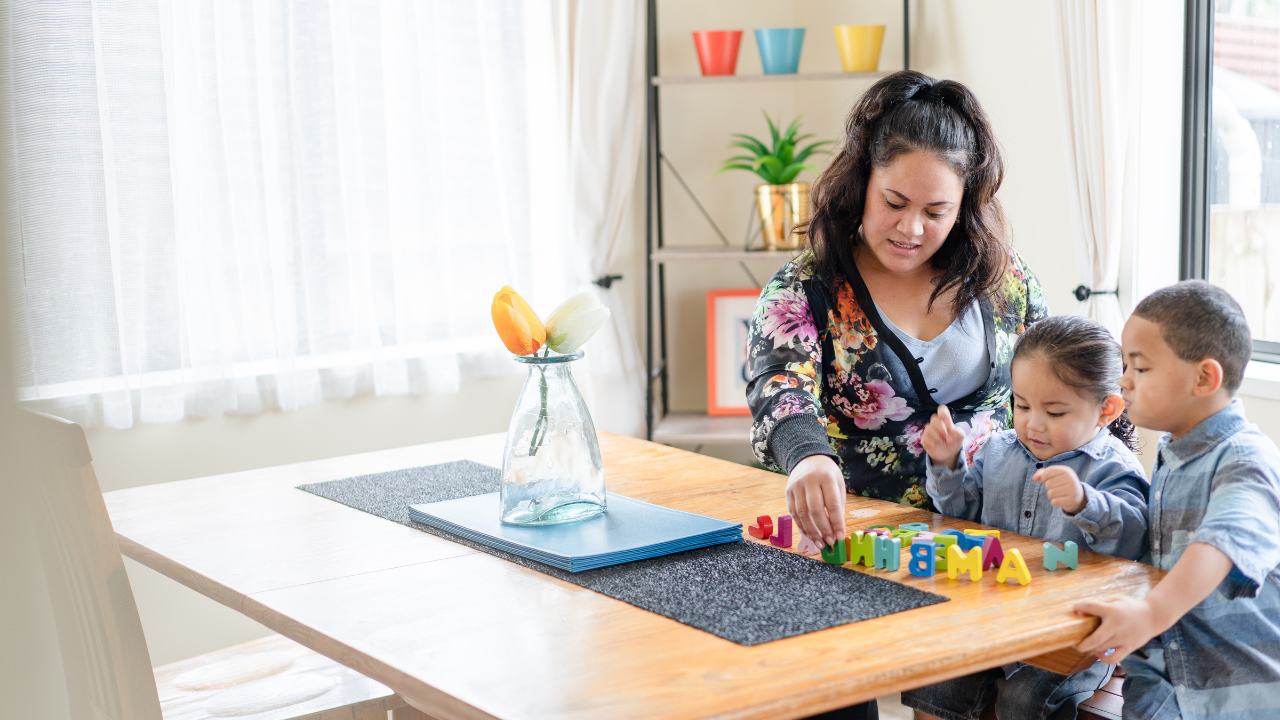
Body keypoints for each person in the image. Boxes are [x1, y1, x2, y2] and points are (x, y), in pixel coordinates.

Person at [746, 68, 1047, 720]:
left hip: (985, 545)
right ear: (862, 184)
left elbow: (1066, 378)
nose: (911, 228)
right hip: (855, 549)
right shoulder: (811, 285)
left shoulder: (1006, 281)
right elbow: (780, 382)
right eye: (894, 202)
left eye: (936, 211)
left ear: (965, 204)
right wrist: (808, 455)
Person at [902, 314, 1149, 720]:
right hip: (997, 619)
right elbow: (959, 515)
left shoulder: (1113, 469)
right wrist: (946, 463)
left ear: (1106, 410)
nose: (1033, 424)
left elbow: (1133, 541)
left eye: (1055, 413)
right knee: (935, 674)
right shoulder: (998, 450)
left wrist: (1085, 502)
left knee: (1024, 699)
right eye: (1022, 404)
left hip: (1075, 634)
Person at [1072, 281, 1280, 719]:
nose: (1124, 382)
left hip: (1234, 692)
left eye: (1140, 369)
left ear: (1204, 378)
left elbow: (1219, 544)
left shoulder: (1246, 459)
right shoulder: (1175, 450)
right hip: (1167, 675)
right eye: (1124, 365)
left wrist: (1149, 614)